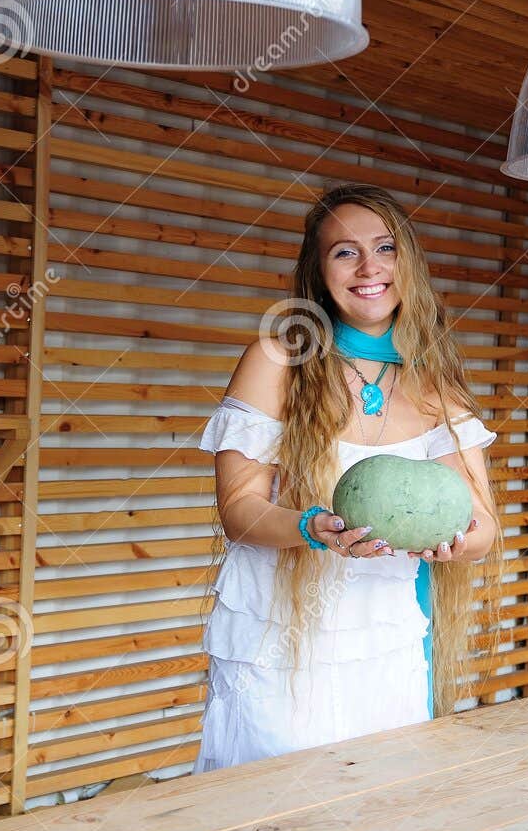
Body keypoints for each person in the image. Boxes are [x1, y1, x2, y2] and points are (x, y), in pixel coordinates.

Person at [195, 182, 503, 773]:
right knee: (269, 802)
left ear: (406, 261)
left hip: (387, 638)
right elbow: (238, 509)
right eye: (344, 251)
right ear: (318, 270)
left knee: (379, 801)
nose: (369, 267)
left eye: (385, 248)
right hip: (278, 638)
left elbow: (485, 526)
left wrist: (455, 539)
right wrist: (313, 527)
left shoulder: (436, 381)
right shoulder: (277, 361)